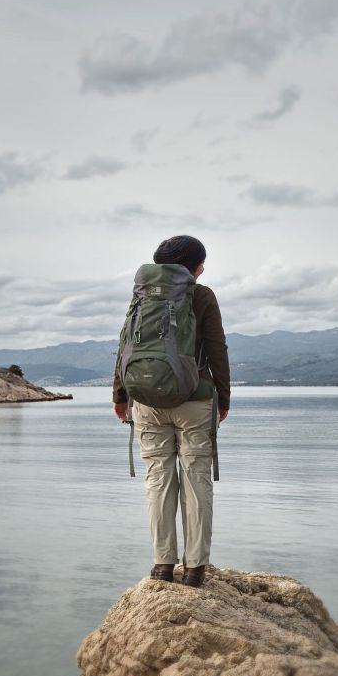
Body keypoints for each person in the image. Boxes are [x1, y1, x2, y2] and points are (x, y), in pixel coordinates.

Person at [113, 235, 230, 588]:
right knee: (196, 481)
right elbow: (216, 349)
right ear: (193, 267)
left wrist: (121, 395)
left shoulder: (141, 294)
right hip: (195, 399)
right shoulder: (202, 294)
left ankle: (163, 565)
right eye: (202, 263)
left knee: (159, 481)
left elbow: (124, 345)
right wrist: (223, 399)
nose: (203, 269)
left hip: (146, 400)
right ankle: (195, 569)